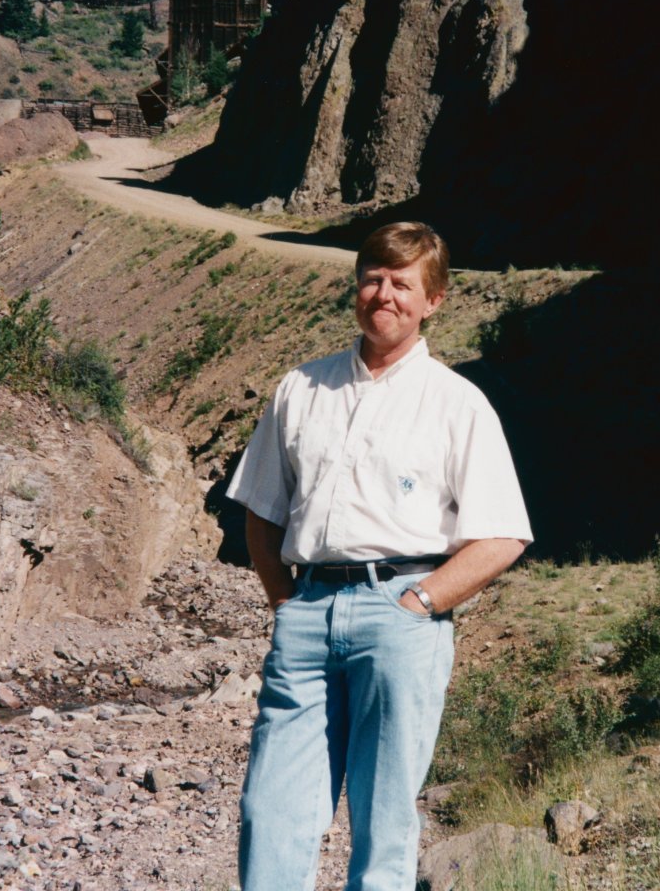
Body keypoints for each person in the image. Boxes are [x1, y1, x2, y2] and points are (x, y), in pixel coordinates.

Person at [226, 221, 533, 891]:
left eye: (401, 284)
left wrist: (420, 602)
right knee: (270, 810)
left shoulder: (457, 404)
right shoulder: (300, 389)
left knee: (383, 823)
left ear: (433, 300)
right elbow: (259, 510)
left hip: (399, 618)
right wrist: (284, 603)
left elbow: (502, 535)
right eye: (372, 278)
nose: (382, 295)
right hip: (306, 615)